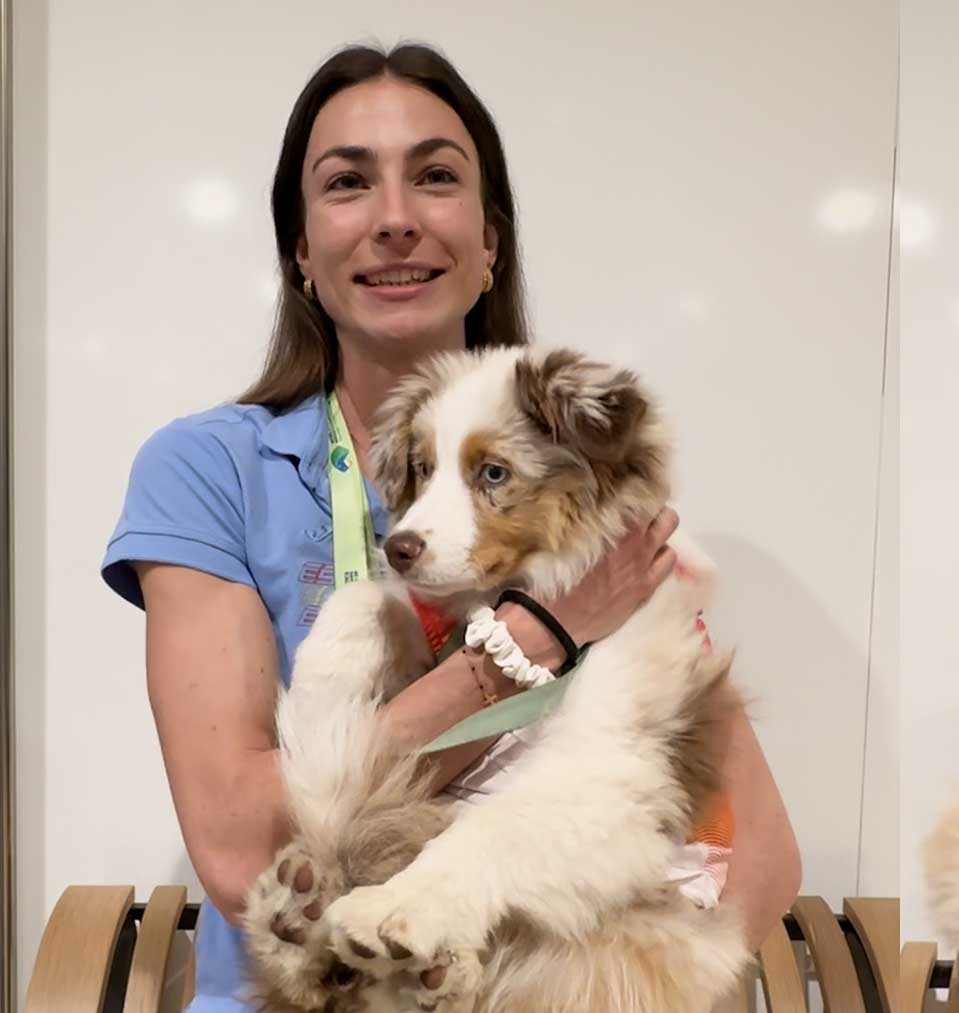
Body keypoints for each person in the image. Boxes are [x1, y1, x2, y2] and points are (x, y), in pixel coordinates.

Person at [100, 42, 802, 1012]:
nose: (395, 218)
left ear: (489, 245)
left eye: (435, 176)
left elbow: (762, 852)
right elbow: (236, 848)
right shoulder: (209, 469)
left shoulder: (578, 474)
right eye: (348, 183)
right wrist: (530, 643)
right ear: (301, 250)